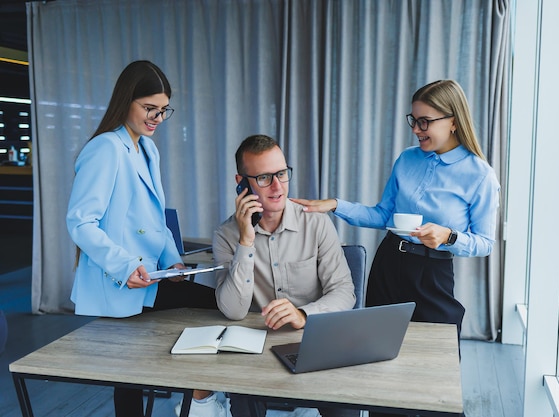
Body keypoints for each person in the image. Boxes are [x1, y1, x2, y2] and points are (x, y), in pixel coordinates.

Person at [66, 60, 227, 417]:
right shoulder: (106, 148)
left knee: (221, 306)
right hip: (122, 279)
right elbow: (80, 222)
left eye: (163, 110)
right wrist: (125, 266)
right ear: (127, 101)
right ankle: (203, 401)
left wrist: (174, 260)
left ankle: (201, 397)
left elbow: (157, 218)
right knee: (129, 379)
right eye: (149, 108)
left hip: (151, 275)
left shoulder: (147, 149)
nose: (157, 117)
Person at [292, 79, 500, 341]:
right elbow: (383, 216)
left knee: (435, 356)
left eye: (425, 121)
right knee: (377, 348)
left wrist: (449, 236)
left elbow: (485, 243)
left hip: (432, 273)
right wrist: (335, 205)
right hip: (389, 263)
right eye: (413, 120)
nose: (416, 129)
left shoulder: (480, 176)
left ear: (453, 121)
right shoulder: (406, 159)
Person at [212, 134, 356, 417]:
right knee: (244, 403)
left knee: (343, 403)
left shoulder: (315, 222)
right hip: (258, 348)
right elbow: (232, 311)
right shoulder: (226, 235)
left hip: (313, 341)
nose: (277, 186)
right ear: (242, 182)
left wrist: (303, 314)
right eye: (264, 177)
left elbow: (344, 291)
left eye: (281, 173)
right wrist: (246, 241)